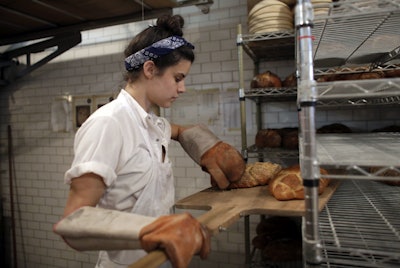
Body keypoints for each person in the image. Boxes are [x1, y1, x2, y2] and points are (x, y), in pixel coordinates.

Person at [53, 14, 246, 268]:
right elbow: (74, 221)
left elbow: (177, 130)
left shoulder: (153, 124)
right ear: (150, 69)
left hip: (163, 258)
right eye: (178, 78)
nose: (182, 88)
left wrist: (206, 145)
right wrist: (154, 228)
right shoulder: (108, 124)